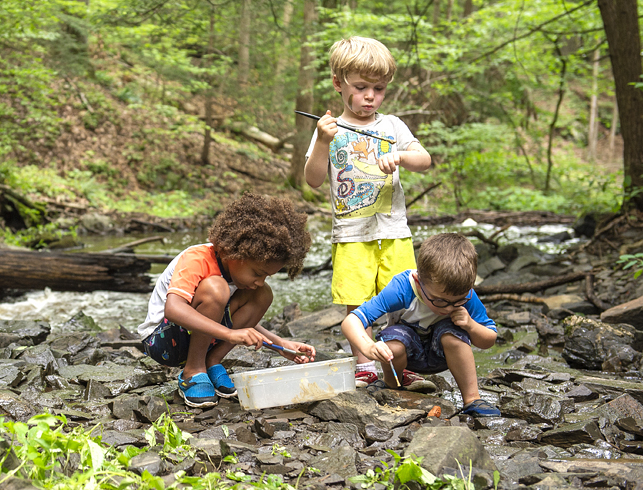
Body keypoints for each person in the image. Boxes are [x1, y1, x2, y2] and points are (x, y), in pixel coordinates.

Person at [304, 36, 433, 389]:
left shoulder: (392, 126)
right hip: (351, 235)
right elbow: (313, 180)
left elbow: (425, 160)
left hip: (394, 232)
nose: (370, 96)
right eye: (360, 87)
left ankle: (397, 359)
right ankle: (363, 363)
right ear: (338, 83)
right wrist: (323, 142)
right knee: (356, 301)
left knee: (402, 301)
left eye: (378, 88)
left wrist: (402, 156)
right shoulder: (327, 130)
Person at [137, 193, 316, 408]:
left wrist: (279, 344)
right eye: (258, 273)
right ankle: (192, 371)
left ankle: (211, 362)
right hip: (162, 341)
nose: (260, 281)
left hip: (198, 335)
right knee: (216, 289)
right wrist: (230, 334)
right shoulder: (197, 258)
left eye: (267, 276)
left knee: (263, 294)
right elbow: (174, 309)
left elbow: (229, 317)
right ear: (235, 253)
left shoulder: (241, 277)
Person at [340, 233, 501, 417]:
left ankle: (472, 398)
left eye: (457, 301)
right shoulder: (402, 288)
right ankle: (392, 384)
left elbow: (489, 340)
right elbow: (351, 321)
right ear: (418, 281)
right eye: (440, 301)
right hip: (407, 357)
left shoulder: (467, 295)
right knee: (394, 339)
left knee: (452, 334)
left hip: (443, 355)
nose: (449, 308)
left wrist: (471, 325)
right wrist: (367, 347)